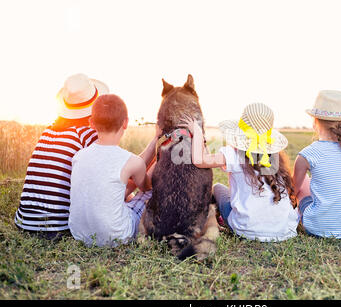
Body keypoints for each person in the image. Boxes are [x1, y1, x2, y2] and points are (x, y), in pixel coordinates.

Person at [180, 102, 299, 242]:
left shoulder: (234, 154)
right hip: (284, 229)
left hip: (247, 228)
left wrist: (197, 133)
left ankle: (215, 221)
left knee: (217, 188)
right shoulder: (276, 157)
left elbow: (200, 160)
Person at [14, 73, 108, 239]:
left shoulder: (48, 131)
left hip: (24, 221)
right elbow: (108, 174)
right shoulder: (86, 134)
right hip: (56, 226)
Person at [68, 94, 159, 247]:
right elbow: (146, 187)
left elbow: (133, 166)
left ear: (91, 123)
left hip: (79, 234)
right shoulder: (131, 161)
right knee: (150, 193)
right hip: (117, 235)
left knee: (118, 190)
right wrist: (161, 155)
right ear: (125, 123)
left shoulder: (79, 156)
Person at [293, 90, 341, 238]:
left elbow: (292, 191)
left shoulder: (307, 154)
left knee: (304, 181)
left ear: (315, 121)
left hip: (320, 228)